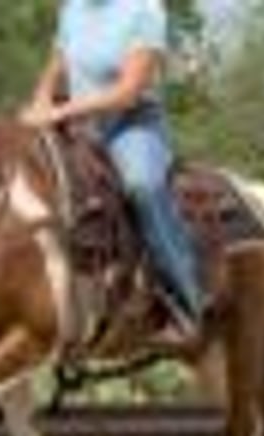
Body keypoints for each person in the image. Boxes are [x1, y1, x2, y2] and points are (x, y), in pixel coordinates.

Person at [21, 0, 204, 339]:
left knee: (141, 186)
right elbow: (57, 66)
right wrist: (39, 102)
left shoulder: (145, 10)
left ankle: (185, 300)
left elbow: (127, 93)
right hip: (78, 127)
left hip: (132, 124)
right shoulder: (73, 9)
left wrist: (60, 112)